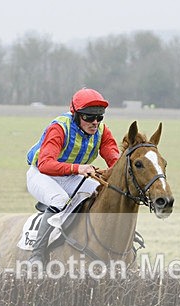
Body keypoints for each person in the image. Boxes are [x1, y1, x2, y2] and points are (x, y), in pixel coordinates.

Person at [25, 87, 120, 263]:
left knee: (102, 193)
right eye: (89, 117)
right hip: (42, 174)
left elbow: (115, 162)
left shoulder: (102, 131)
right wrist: (78, 169)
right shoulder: (59, 128)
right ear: (76, 115)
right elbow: (45, 164)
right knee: (60, 199)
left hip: (71, 176)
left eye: (99, 117)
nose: (95, 122)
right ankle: (37, 255)